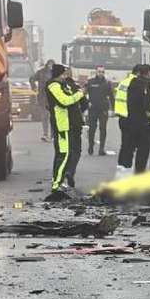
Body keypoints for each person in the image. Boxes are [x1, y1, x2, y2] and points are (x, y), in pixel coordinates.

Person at [45, 63, 87, 198]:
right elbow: (64, 101)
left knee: (64, 154)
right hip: (62, 125)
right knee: (64, 154)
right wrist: (80, 94)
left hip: (69, 124)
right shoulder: (53, 85)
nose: (65, 76)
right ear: (59, 74)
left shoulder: (63, 85)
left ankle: (59, 181)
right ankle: (56, 184)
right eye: (63, 74)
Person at [117, 64, 150, 174]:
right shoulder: (148, 85)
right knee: (143, 148)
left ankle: (125, 167)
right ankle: (139, 171)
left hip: (129, 119)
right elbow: (148, 103)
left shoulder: (130, 83)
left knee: (128, 145)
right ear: (148, 73)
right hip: (144, 122)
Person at [84, 65, 113, 156]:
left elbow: (111, 96)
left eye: (102, 72)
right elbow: (83, 94)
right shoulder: (90, 82)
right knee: (92, 128)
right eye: (99, 71)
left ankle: (101, 149)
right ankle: (90, 146)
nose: (101, 73)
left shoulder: (107, 83)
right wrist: (86, 104)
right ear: (96, 72)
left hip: (103, 109)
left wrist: (113, 109)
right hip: (92, 108)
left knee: (103, 128)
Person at [30, 59, 54, 142]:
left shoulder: (56, 73)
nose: (51, 66)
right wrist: (33, 87)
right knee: (44, 116)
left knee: (52, 117)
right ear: (47, 65)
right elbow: (32, 79)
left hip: (53, 98)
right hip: (43, 97)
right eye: (49, 64)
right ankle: (45, 134)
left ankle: (52, 135)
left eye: (52, 64)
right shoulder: (41, 72)